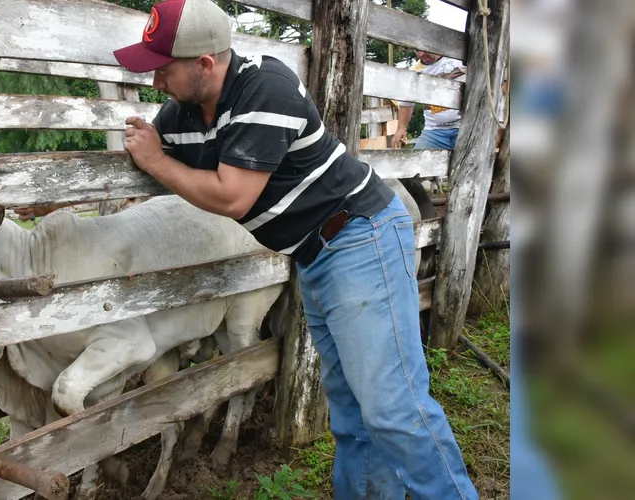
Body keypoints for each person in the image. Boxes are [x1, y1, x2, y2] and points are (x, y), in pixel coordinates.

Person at [111, 0, 479, 498]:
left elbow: (231, 194)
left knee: (393, 409)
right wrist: (148, 151)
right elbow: (158, 150)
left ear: (204, 64)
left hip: (359, 236)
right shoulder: (183, 112)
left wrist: (156, 161)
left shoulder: (264, 87)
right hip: (316, 253)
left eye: (164, 70)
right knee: (351, 411)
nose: (156, 83)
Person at [392, 50, 468, 150]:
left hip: (465, 127)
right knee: (416, 162)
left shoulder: (459, 59)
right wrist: (401, 128)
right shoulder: (414, 71)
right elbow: (407, 103)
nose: (421, 54)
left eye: (424, 49)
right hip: (434, 131)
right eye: (416, 50)